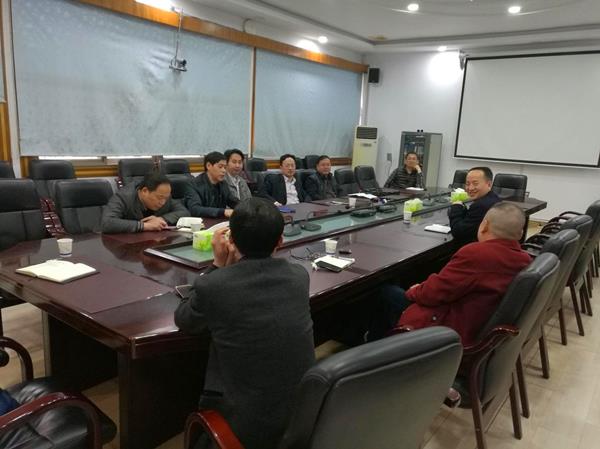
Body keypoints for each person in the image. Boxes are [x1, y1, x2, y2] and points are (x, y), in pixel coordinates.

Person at [174, 198, 315, 449]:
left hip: (246, 429)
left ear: (231, 240)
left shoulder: (214, 285)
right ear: (281, 241)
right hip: (302, 418)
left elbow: (185, 319)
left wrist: (217, 266)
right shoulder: (299, 276)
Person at [367, 202, 532, 345]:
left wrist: (415, 290)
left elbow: (432, 293)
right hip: (480, 327)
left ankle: (376, 351)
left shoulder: (477, 254)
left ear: (485, 225)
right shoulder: (524, 259)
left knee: (386, 292)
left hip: (450, 331)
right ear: (519, 234)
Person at [101, 172, 189, 233]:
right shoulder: (124, 197)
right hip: (127, 244)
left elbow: (184, 212)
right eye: (160, 198)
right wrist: (144, 226)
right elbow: (107, 223)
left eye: (166, 198)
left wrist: (161, 219)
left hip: (154, 242)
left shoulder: (164, 195)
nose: (163, 202)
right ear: (145, 191)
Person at [448, 166, 501, 245]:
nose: (470, 188)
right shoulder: (494, 198)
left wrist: (456, 207)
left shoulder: (481, 206)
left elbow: (458, 232)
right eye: (467, 184)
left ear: (489, 184)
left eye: (475, 184)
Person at [184, 151, 239, 218]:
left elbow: (233, 202)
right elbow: (195, 209)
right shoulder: (193, 184)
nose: (224, 171)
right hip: (201, 222)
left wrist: (246, 207)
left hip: (219, 221)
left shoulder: (223, 184)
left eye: (225, 167)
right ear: (208, 166)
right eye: (220, 167)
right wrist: (223, 212)